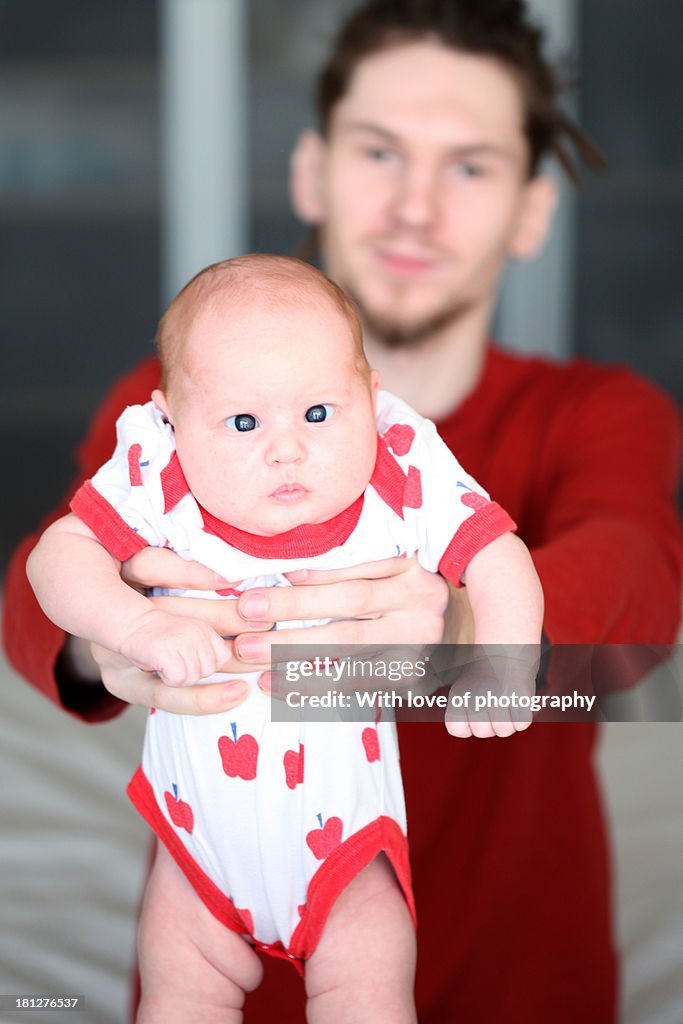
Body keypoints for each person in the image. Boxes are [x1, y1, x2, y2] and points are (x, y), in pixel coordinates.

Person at [4, 1, 681, 1021]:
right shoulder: (178, 407)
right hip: (228, 967)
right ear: (312, 169)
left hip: (521, 985)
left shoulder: (593, 411)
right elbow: (37, 595)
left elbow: (640, 607)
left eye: (467, 165)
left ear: (530, 209)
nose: (415, 204)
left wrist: (464, 631)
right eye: (378, 151)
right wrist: (110, 638)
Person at [26, 253, 542, 1023]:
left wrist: (500, 657)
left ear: (369, 399)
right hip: (197, 849)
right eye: (242, 423)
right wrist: (133, 622)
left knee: (368, 990)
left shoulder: (400, 473)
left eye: (318, 413)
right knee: (178, 994)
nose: (287, 449)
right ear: (172, 421)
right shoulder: (158, 475)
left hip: (344, 850)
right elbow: (54, 559)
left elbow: (498, 553)